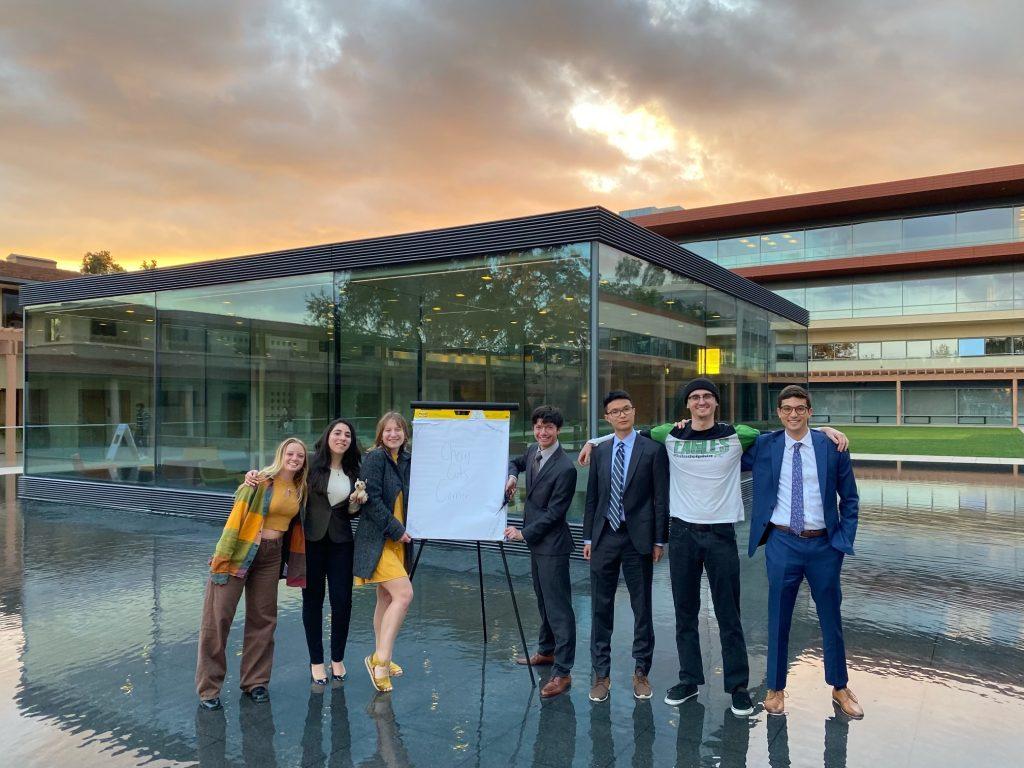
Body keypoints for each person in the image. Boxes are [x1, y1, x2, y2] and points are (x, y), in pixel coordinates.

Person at [578, 378, 848, 717]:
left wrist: (824, 430)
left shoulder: (738, 435)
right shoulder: (670, 434)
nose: (701, 401)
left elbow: (789, 430)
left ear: (715, 403)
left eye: (707, 396)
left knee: (728, 614)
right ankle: (689, 681)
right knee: (685, 614)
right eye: (694, 397)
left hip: (721, 535)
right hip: (683, 534)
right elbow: (628, 432)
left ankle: (737, 687)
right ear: (687, 405)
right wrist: (593, 439)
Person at [743, 385, 862, 719]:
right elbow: (722, 441)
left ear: (810, 411)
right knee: (778, 616)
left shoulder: (831, 446)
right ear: (778, 413)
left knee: (830, 617)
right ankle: (775, 688)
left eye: (800, 408)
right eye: (786, 409)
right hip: (782, 542)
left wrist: (842, 538)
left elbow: (850, 499)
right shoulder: (766, 445)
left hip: (824, 545)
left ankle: (840, 687)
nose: (793, 414)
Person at [243, 418, 367, 688]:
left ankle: (337, 658)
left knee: (342, 601)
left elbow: (350, 511)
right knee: (313, 601)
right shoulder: (310, 463)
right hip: (309, 541)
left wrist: (357, 505)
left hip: (341, 542)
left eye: (347, 434)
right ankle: (316, 662)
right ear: (328, 436)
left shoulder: (354, 470)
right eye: (337, 432)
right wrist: (255, 475)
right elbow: (283, 475)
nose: (342, 438)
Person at [195, 437, 309, 710]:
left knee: (263, 619)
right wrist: (221, 559)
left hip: (271, 555)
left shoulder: (300, 488)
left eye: (301, 456)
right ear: (281, 454)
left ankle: (255, 682)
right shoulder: (260, 481)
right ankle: (208, 690)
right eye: (290, 453)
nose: (295, 459)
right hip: (242, 550)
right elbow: (237, 516)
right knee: (218, 618)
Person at [582, 390, 669, 703]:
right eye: (615, 411)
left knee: (641, 607)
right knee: (600, 608)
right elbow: (593, 496)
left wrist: (659, 539)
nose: (621, 415)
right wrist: (589, 538)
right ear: (607, 418)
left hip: (638, 540)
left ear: (634, 411)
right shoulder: (601, 452)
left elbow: (660, 499)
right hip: (604, 536)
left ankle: (641, 671)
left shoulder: (652, 450)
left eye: (626, 409)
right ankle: (600, 674)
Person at [504, 405, 578, 699]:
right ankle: (546, 652)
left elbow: (555, 514)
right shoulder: (534, 450)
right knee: (543, 602)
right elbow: (514, 461)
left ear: (558, 430)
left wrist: (523, 533)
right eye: (538, 427)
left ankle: (563, 672)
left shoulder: (565, 468)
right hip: (538, 545)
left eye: (548, 427)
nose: (542, 432)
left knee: (559, 608)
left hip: (553, 546)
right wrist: (512, 477)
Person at [354, 411, 414, 693]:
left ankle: (379, 653)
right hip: (379, 538)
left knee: (387, 596)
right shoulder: (376, 458)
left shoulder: (404, 460)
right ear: (381, 434)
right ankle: (381, 660)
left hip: (398, 540)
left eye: (398, 429)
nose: (393, 434)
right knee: (404, 594)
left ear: (405, 433)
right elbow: (371, 503)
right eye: (388, 430)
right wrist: (396, 529)